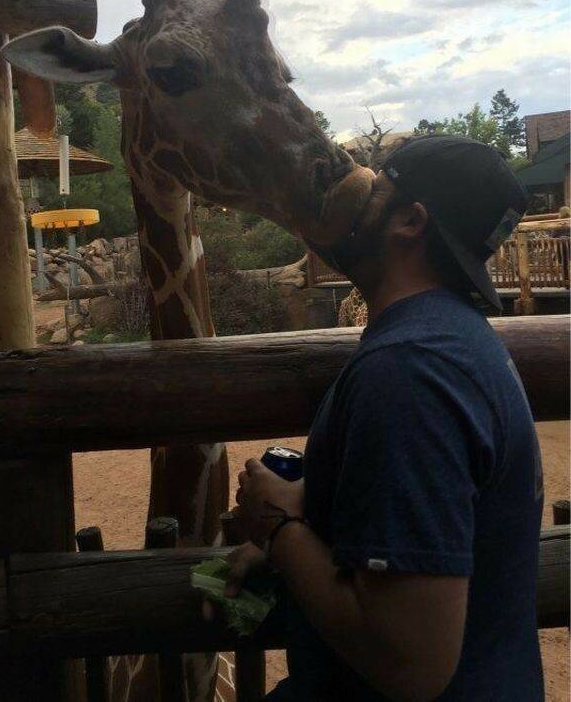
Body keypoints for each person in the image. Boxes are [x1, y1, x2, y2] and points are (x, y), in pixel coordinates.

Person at [227, 136, 544, 700]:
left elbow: (411, 663)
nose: (355, 199)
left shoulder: (410, 374)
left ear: (409, 221)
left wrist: (277, 526)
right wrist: (316, 510)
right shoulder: (454, 341)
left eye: (376, 189)